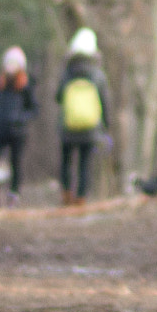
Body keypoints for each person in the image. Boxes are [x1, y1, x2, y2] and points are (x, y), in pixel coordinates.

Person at [55, 27, 111, 206]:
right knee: (84, 164)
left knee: (66, 161)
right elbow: (104, 101)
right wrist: (106, 125)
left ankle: (66, 194)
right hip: (90, 127)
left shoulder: (67, 73)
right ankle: (81, 198)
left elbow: (58, 96)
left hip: (68, 126)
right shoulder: (98, 74)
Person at [0, 46, 39, 207]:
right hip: (0, 131)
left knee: (16, 164)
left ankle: (14, 194)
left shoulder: (26, 85)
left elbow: (34, 109)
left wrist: (20, 119)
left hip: (18, 132)